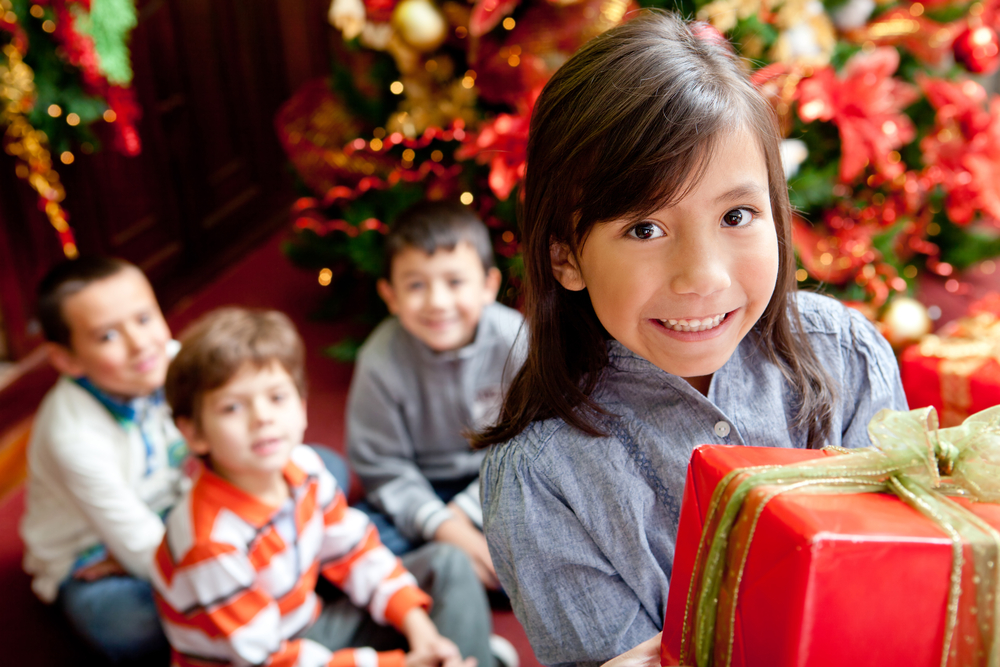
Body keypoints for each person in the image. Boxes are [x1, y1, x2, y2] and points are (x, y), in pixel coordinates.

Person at [470, 12, 908, 667]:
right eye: (645, 228)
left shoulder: (846, 353)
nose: (702, 277)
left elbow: (907, 577)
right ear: (565, 255)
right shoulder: (540, 480)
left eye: (737, 215)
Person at [152, 307, 493, 667]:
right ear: (193, 432)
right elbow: (269, 660)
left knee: (449, 564)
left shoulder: (304, 467)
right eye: (233, 407)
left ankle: (454, 652)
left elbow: (355, 551)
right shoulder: (210, 543)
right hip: (264, 658)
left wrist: (420, 629)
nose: (263, 417)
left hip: (308, 623)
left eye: (277, 397)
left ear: (301, 408)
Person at [345, 200, 524, 594]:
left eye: (455, 282)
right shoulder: (379, 359)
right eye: (416, 285)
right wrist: (442, 525)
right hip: (422, 487)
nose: (437, 302)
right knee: (353, 541)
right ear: (390, 295)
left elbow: (532, 448)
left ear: (488, 286)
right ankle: (465, 570)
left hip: (502, 482)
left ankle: (458, 573)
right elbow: (383, 465)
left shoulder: (516, 340)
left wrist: (464, 514)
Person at [20, 256, 185, 664]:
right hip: (89, 552)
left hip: (170, 513)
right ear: (67, 360)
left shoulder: (174, 362)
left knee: (322, 467)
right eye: (108, 335)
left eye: (145, 318)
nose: (141, 343)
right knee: (126, 621)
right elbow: (141, 546)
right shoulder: (72, 435)